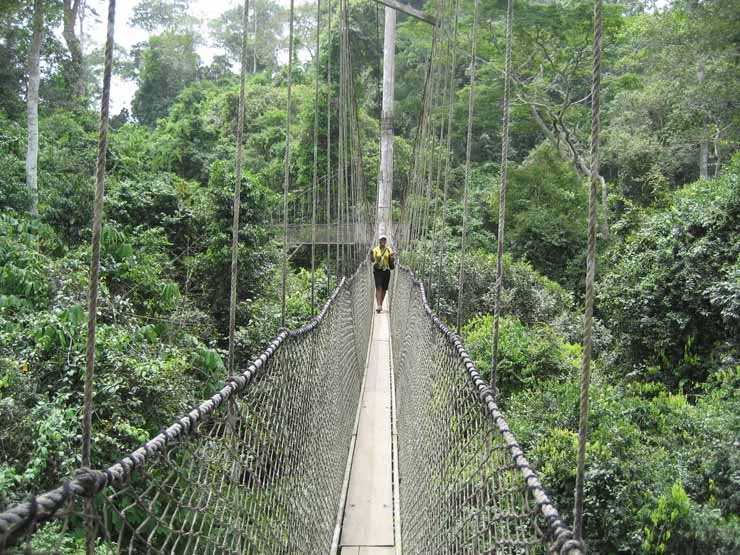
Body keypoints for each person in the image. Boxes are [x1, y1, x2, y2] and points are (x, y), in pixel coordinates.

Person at [370, 235, 394, 313]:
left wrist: (392, 257)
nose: (383, 241)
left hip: (386, 271)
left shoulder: (389, 249)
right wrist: (371, 255)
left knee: (384, 289)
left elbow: (391, 258)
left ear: (385, 241)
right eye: (381, 240)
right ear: (379, 241)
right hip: (378, 270)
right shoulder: (375, 249)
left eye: (384, 240)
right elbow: (372, 260)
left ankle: (381, 304)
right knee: (378, 287)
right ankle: (379, 305)